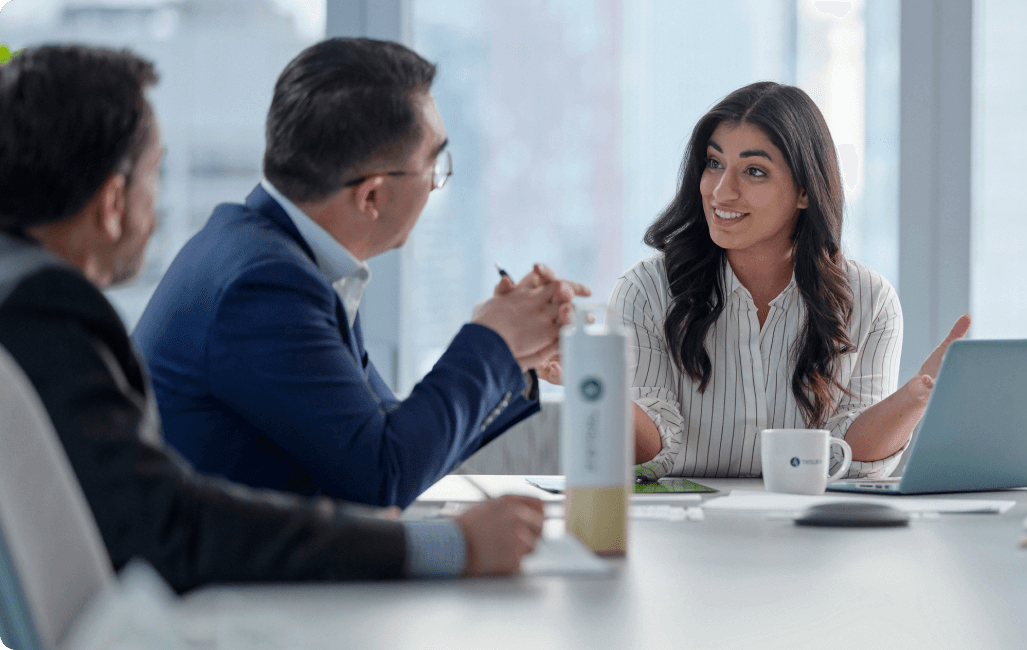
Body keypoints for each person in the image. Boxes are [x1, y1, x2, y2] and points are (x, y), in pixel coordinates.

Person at [0, 44, 544, 592]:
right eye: (155, 174)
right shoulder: (253, 281)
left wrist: (507, 357)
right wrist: (447, 545)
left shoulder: (274, 257)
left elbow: (381, 439)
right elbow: (176, 522)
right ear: (113, 202)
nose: (158, 203)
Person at [133, 38, 586, 508]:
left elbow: (396, 441)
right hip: (232, 579)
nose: (437, 184)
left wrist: (513, 356)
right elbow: (383, 477)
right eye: (433, 165)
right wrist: (492, 341)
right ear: (371, 196)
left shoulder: (277, 252)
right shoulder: (266, 286)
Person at [615, 81, 967, 479]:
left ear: (804, 191)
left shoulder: (871, 300)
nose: (721, 191)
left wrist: (917, 397)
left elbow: (851, 461)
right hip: (680, 528)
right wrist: (593, 379)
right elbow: (646, 457)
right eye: (714, 163)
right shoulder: (646, 290)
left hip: (809, 531)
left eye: (753, 171)